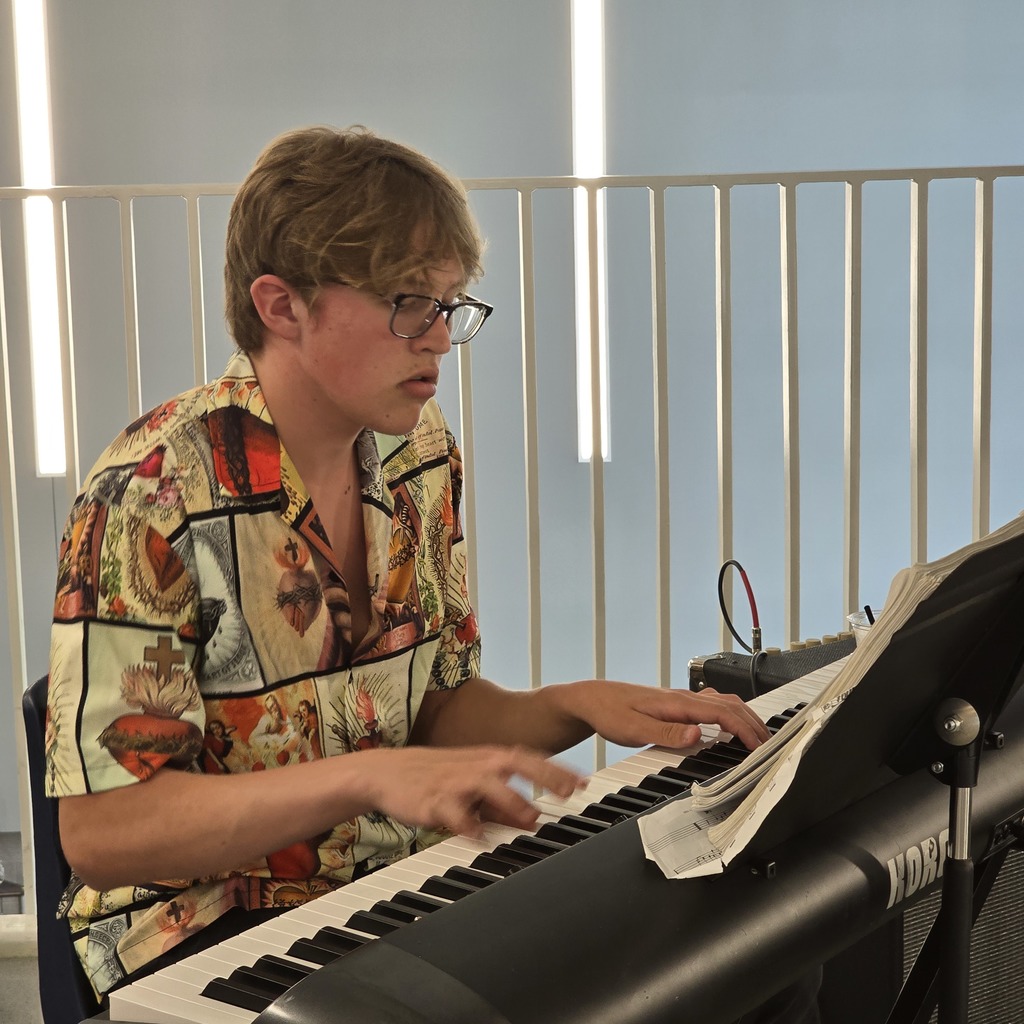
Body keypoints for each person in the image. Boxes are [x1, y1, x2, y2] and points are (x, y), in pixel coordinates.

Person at [45, 125, 810, 1019]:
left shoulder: (418, 455)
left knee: (748, 969)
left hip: (391, 892)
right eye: (411, 303)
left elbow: (436, 704)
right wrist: (369, 778)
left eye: (452, 305)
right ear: (281, 305)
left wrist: (571, 703)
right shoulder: (149, 494)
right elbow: (102, 833)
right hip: (199, 936)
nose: (442, 339)